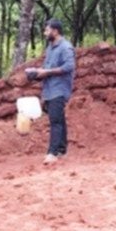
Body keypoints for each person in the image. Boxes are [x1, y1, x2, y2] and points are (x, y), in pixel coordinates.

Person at [24, 18, 75, 165]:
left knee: (55, 121)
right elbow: (47, 69)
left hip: (59, 89)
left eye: (47, 30)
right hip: (50, 89)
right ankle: (61, 150)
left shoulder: (65, 47)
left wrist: (46, 72)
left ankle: (52, 153)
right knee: (59, 119)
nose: (45, 33)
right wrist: (37, 73)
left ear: (55, 31)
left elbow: (69, 66)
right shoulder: (50, 48)